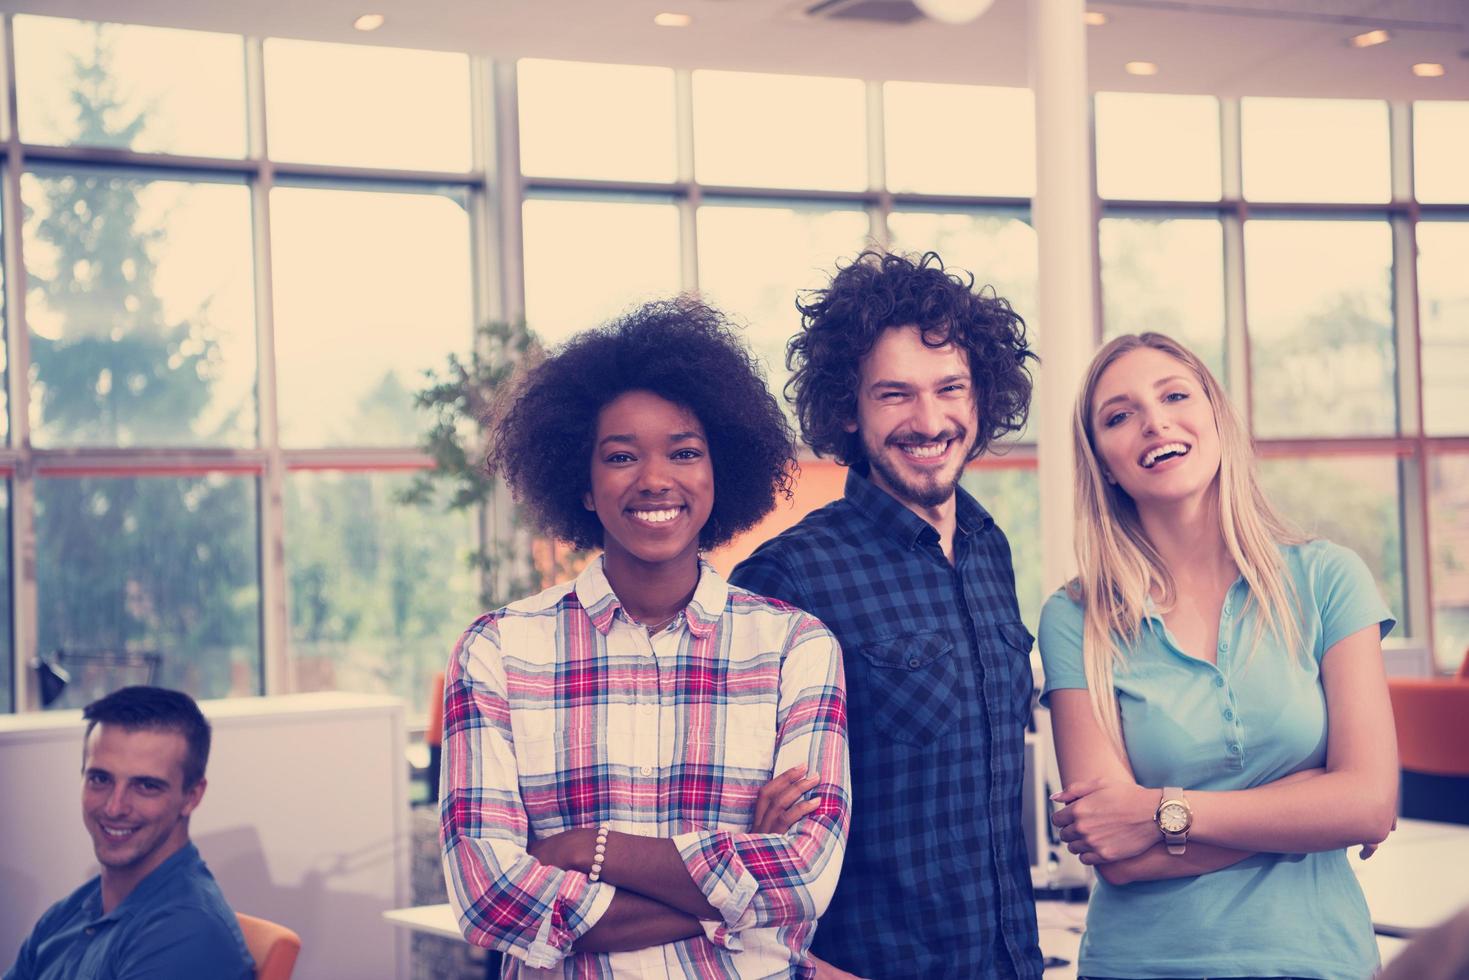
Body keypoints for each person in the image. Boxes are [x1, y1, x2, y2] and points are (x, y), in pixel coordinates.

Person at [440, 298, 851, 978]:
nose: (655, 479)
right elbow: (489, 899)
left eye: (684, 452)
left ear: (719, 471)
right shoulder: (497, 652)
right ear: (583, 484)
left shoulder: (795, 650)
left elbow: (805, 879)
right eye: (621, 456)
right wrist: (735, 877)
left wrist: (590, 849)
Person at [1037, 332, 1399, 980]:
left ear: (1216, 419)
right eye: (1117, 416)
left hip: (1319, 961)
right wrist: (1311, 805)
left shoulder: (1328, 579)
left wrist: (1161, 813)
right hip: (1138, 965)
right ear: (1102, 462)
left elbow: (1369, 802)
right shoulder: (1075, 618)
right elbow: (1113, 851)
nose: (1154, 422)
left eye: (1174, 394)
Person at [730, 250, 1043, 979]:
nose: (928, 420)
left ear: (980, 398)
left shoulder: (988, 548)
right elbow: (735, 824)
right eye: (894, 394)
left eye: (950, 389)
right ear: (848, 408)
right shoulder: (786, 576)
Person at [5, 686, 253, 980]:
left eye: (146, 786)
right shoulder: (71, 911)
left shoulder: (186, 932)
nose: (114, 807)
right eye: (100, 779)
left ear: (191, 796)